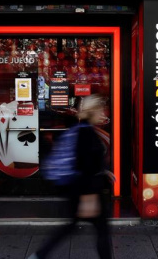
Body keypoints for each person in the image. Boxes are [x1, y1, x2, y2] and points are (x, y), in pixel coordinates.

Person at [29, 94, 115, 259]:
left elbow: (87, 162)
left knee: (71, 226)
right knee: (101, 229)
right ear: (94, 111)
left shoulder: (83, 129)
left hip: (79, 188)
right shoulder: (87, 133)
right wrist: (88, 199)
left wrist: (104, 172)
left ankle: (40, 255)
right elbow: (84, 165)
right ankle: (40, 255)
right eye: (101, 110)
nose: (103, 113)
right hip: (85, 191)